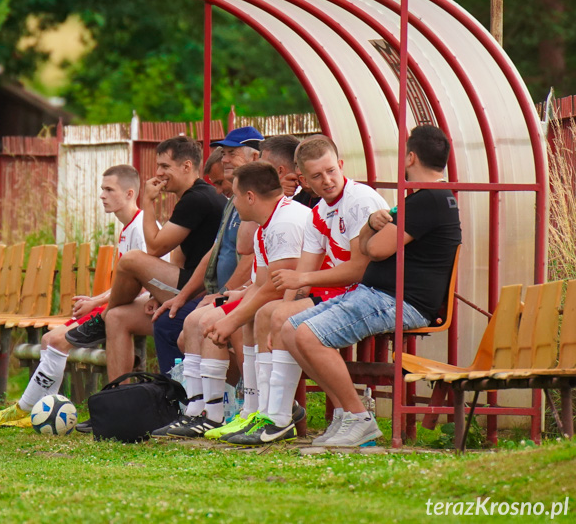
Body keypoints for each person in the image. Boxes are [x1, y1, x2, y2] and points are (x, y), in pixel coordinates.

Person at [277, 125, 462, 447]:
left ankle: (358, 417)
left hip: (401, 300)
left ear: (410, 157)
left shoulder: (428, 200)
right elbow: (369, 245)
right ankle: (346, 417)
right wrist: (370, 227)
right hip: (378, 295)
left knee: (308, 334)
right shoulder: (424, 198)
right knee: (291, 330)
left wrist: (368, 230)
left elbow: (374, 251)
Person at [153, 138, 311, 440]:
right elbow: (263, 284)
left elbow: (275, 288)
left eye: (235, 196)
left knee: (246, 318)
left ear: (250, 197)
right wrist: (230, 310)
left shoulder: (286, 221)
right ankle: (209, 412)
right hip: (279, 295)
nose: (233, 205)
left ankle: (262, 410)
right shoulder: (269, 221)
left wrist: (231, 319)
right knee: (198, 320)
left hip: (310, 298)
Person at [0, 165, 161, 429]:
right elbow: (127, 283)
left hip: (136, 309)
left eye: (109, 189)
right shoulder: (128, 228)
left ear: (129, 193)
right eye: (102, 189)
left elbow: (149, 283)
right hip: (121, 305)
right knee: (48, 339)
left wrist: (99, 303)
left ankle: (24, 409)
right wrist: (96, 300)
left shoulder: (142, 228)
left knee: (55, 341)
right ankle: (41, 411)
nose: (101, 195)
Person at [246, 135, 388, 442]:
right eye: (316, 176)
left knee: (286, 322)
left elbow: (359, 270)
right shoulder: (319, 212)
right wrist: (281, 309)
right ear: (303, 181)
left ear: (340, 165)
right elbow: (303, 272)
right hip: (342, 292)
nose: (326, 181)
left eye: (330, 172)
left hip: (370, 293)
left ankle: (332, 416)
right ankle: (275, 415)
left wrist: (298, 286)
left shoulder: (359, 200)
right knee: (272, 313)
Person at [65, 136, 225, 354]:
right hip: (192, 282)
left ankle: (102, 317)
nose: (158, 172)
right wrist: (154, 294)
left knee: (132, 259)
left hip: (201, 289)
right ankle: (119, 387)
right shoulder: (192, 197)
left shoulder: (197, 198)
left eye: (165, 166)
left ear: (187, 166)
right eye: (158, 165)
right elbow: (179, 255)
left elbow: (155, 249)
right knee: (117, 318)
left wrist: (148, 201)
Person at [148, 127, 264, 373]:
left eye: (232, 153)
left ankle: (245, 397)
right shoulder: (234, 199)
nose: (225, 159)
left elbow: (249, 259)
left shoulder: (256, 199)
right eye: (224, 153)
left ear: (255, 158)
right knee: (174, 323)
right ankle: (198, 398)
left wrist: (223, 295)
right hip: (223, 293)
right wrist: (180, 298)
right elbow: (213, 253)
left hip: (248, 295)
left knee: (190, 326)